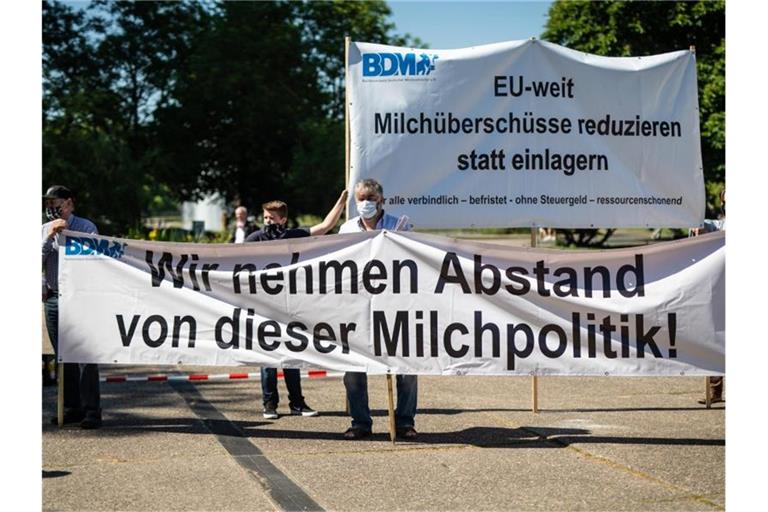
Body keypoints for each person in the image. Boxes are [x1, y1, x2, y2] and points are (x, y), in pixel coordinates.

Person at [246, 189, 348, 418]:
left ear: (283, 219)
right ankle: (269, 404)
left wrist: (341, 201)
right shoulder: (255, 239)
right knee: (268, 357)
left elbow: (324, 227)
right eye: (265, 218)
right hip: (264, 305)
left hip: (290, 305)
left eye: (272, 218)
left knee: (291, 354)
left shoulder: (293, 235)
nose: (268, 222)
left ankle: (297, 403)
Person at [338, 178, 418, 440]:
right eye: (361, 199)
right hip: (357, 308)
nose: (365, 203)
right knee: (353, 372)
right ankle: (360, 423)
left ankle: (404, 422)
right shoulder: (347, 228)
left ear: (382, 200)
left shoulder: (399, 225)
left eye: (371, 198)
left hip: (395, 308)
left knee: (406, 370)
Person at [42, 185, 102, 428]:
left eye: (56, 202)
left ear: (69, 203)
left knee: (86, 356)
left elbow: (96, 261)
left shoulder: (86, 228)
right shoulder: (44, 230)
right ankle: (71, 407)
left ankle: (91, 411)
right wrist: (49, 237)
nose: (51, 207)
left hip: (81, 298)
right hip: (55, 298)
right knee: (62, 356)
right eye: (48, 203)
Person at [690, 187, 725, 404]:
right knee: (716, 337)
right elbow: (703, 227)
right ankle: (715, 390)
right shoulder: (720, 225)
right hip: (722, 288)